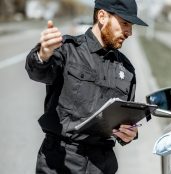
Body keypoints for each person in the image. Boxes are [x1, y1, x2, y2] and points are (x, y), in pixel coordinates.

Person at [25, 0, 147, 173]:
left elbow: (125, 120)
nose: (130, 32)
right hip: (61, 160)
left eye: (131, 25)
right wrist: (42, 55)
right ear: (102, 16)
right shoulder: (68, 50)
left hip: (103, 164)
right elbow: (37, 72)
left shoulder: (127, 70)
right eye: (125, 23)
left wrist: (129, 134)